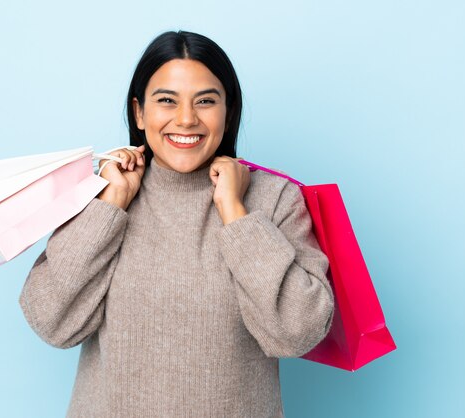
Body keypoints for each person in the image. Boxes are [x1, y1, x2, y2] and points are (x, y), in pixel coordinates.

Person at [19, 30, 334, 417]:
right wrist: (112, 204)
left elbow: (298, 332)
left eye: (205, 101)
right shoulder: (99, 194)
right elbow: (51, 321)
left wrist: (236, 211)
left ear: (228, 111)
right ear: (139, 111)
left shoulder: (276, 199)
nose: (186, 119)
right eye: (167, 100)